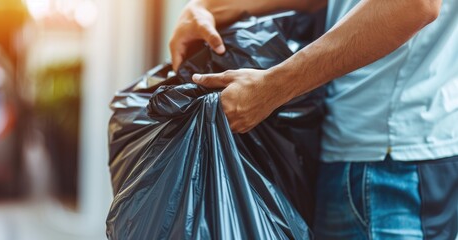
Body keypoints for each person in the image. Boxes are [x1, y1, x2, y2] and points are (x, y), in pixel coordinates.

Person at [170, 0, 458, 239]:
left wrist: (274, 88)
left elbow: (413, 4)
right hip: (359, 154)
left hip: (387, 167)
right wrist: (211, 8)